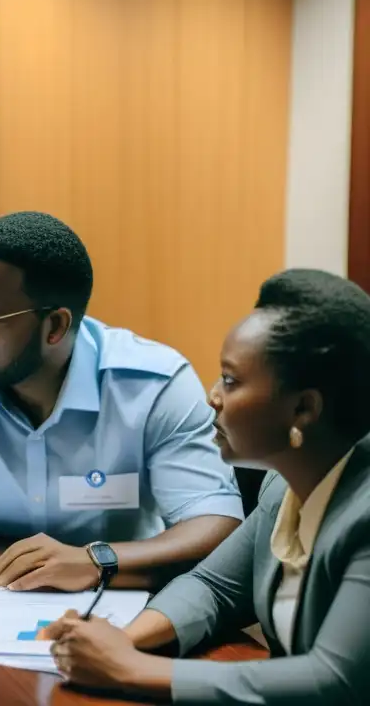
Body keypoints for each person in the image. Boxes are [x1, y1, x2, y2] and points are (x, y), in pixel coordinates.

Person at [0, 212, 243, 608]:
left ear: (54, 326)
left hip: (120, 611)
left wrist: (95, 560)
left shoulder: (154, 386)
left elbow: (214, 522)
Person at [43, 268, 370, 704]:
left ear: (304, 409)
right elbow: (213, 588)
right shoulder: (282, 487)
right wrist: (120, 639)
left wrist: (130, 668)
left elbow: (334, 679)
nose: (212, 397)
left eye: (231, 381)